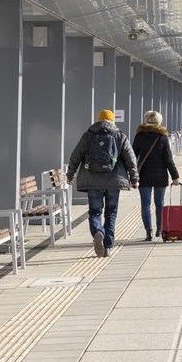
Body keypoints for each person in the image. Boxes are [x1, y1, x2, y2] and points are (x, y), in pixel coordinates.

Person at [67, 110, 138, 257]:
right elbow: (130, 159)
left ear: (99, 120)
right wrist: (134, 178)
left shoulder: (88, 135)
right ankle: (108, 246)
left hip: (92, 180)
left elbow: (76, 155)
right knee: (111, 212)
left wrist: (70, 174)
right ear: (112, 121)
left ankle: (98, 231)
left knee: (95, 212)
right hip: (114, 181)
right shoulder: (119, 135)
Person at [132, 110, 181, 241]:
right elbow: (168, 159)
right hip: (160, 175)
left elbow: (132, 157)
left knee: (145, 204)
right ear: (159, 121)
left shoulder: (139, 136)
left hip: (144, 175)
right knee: (159, 203)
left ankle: (148, 232)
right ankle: (160, 228)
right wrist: (175, 177)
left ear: (146, 120)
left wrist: (132, 175)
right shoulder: (162, 137)